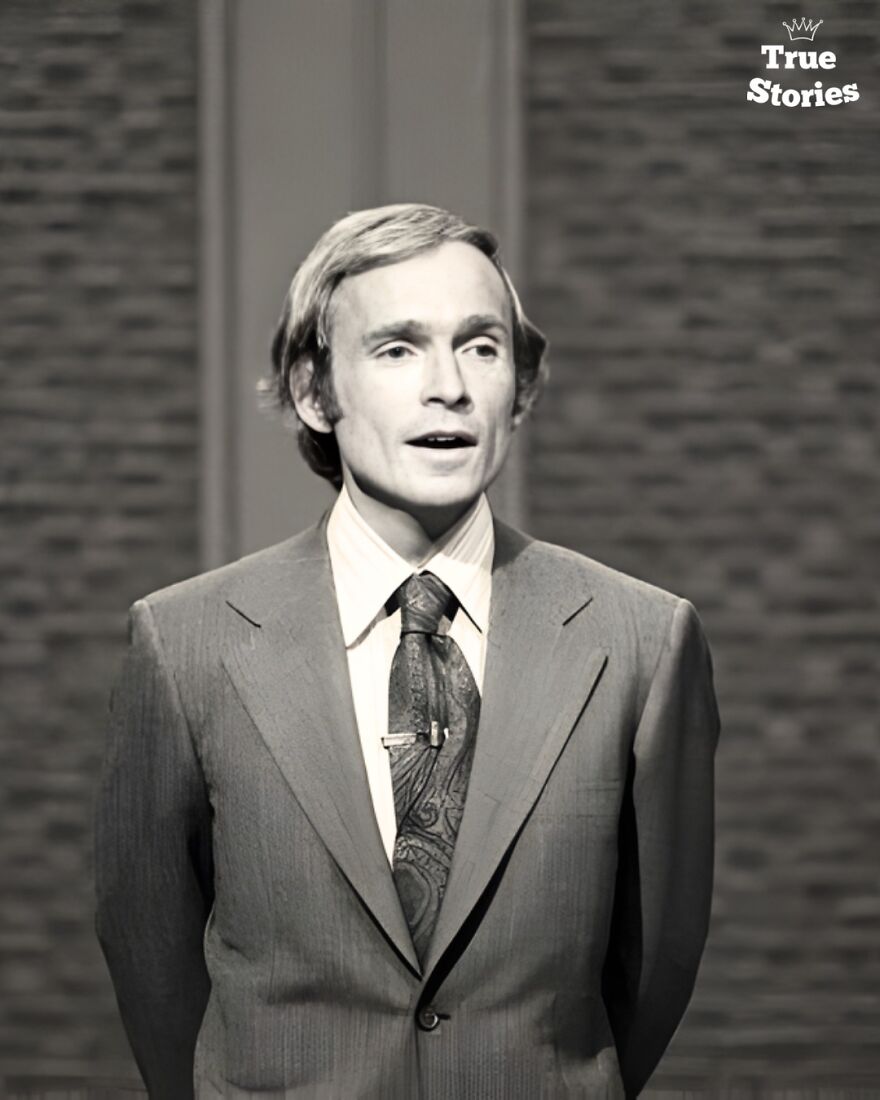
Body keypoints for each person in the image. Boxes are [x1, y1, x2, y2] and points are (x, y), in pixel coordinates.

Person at [95, 203, 720, 1099]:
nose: (450, 387)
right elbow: (149, 951)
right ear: (316, 391)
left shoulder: (643, 642)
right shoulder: (184, 643)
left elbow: (652, 966)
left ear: (523, 387)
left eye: (482, 346)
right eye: (397, 349)